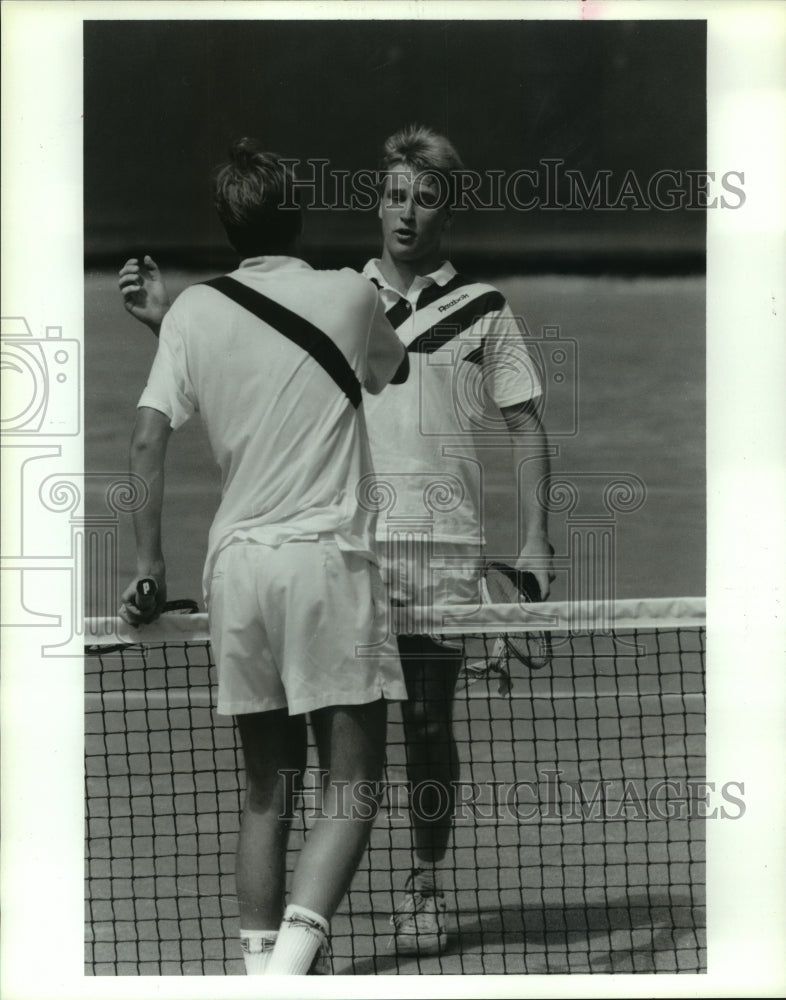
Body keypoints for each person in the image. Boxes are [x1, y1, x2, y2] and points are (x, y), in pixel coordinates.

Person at [118, 125, 554, 958]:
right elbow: (251, 349)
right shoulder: (339, 291)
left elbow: (525, 425)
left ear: (448, 209)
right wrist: (167, 323)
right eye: (394, 195)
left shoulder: (485, 309)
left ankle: (419, 886)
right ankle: (303, 943)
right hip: (346, 546)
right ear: (375, 203)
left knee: (425, 727)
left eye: (425, 197)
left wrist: (534, 544)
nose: (406, 212)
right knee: (335, 761)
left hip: (438, 544)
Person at [118, 138, 409, 976]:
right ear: (299, 213)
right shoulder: (353, 295)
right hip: (324, 566)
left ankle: (258, 974)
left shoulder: (190, 316)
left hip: (235, 573)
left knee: (266, 793)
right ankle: (281, 982)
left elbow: (147, 438)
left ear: (226, 226)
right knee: (351, 788)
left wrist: (151, 566)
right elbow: (390, 374)